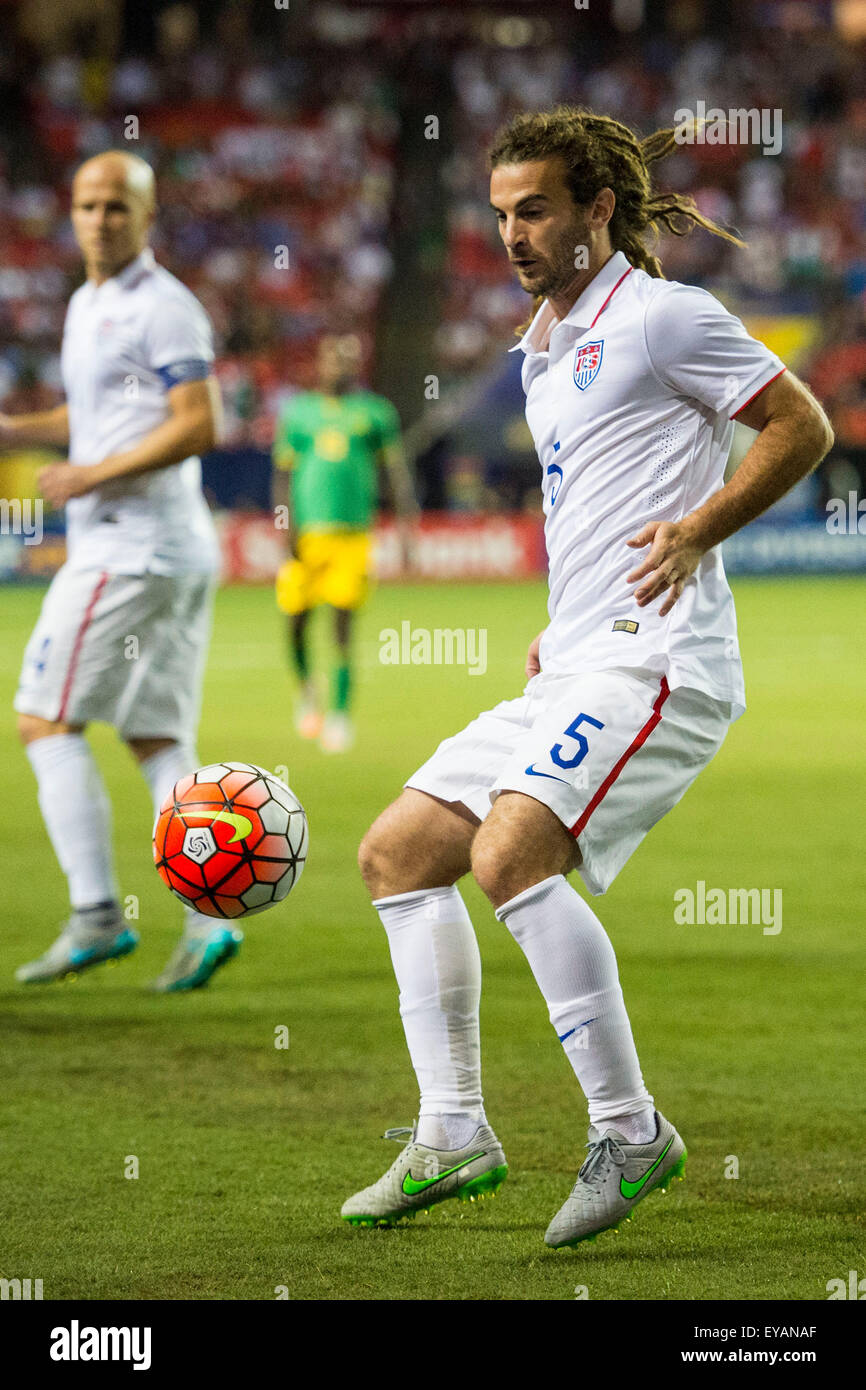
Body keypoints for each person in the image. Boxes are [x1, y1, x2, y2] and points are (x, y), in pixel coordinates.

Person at [342, 108, 833, 1244]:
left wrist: (700, 528)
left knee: (508, 856)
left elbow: (796, 426)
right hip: (574, 658)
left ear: (595, 209)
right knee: (397, 854)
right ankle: (453, 1130)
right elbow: (593, 504)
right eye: (500, 211)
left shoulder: (664, 318)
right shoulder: (541, 348)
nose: (511, 233)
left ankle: (629, 1133)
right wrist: (555, 628)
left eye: (535, 210)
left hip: (660, 660)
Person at [7, 150, 238, 993]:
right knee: (156, 738)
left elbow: (199, 422)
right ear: (70, 213)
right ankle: (211, 918)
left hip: (129, 550)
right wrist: (18, 431)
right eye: (88, 205)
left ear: (147, 218)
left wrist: (90, 476)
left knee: (42, 719)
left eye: (117, 207)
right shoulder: (86, 303)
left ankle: (97, 917)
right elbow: (95, 408)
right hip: (171, 552)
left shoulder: (165, 308)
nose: (100, 220)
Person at [272, 334, 416, 753]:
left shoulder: (374, 413)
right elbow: (282, 475)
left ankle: (338, 714)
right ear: (320, 362)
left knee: (342, 626)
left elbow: (395, 471)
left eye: (350, 358)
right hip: (307, 534)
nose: (342, 365)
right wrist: (286, 527)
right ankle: (306, 691)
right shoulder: (298, 412)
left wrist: (407, 525)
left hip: (353, 536)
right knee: (296, 623)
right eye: (335, 357)